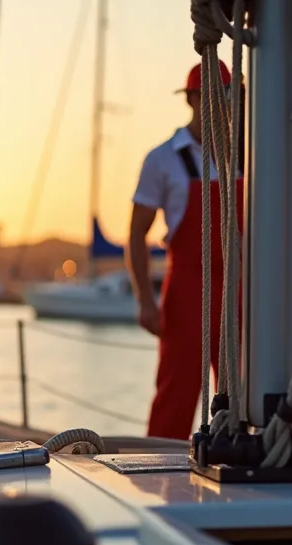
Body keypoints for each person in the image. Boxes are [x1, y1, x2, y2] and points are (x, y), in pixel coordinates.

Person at [126, 61, 244, 441]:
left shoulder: (255, 155)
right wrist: (145, 300)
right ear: (192, 99)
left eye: (229, 95)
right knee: (175, 392)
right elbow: (136, 233)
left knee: (248, 393)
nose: (222, 103)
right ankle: (158, 471)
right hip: (187, 290)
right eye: (212, 95)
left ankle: (248, 475)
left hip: (243, 290)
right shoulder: (162, 159)